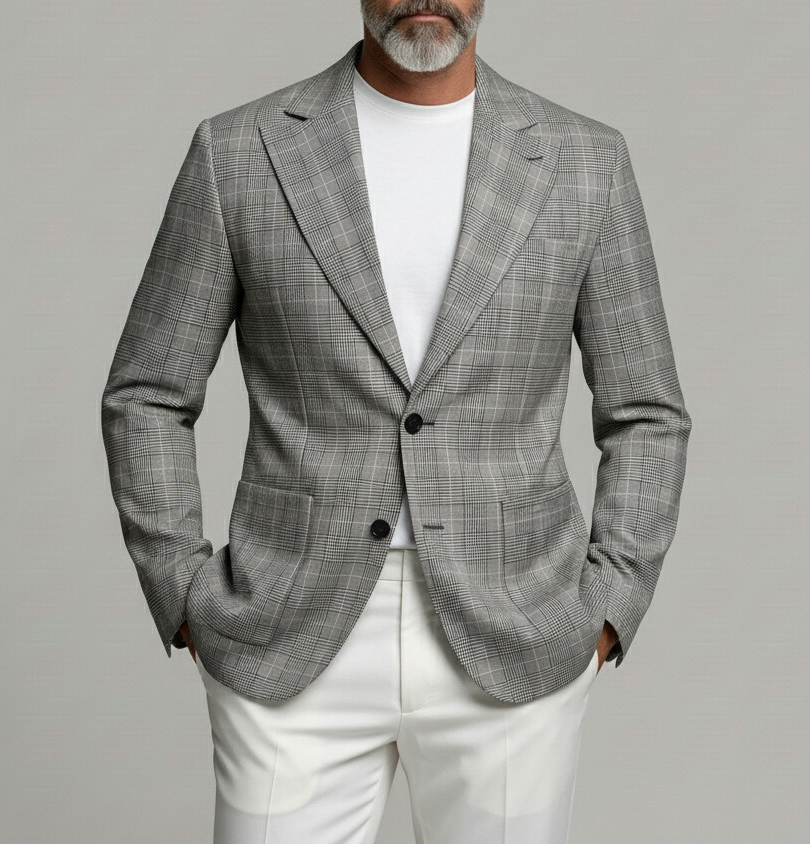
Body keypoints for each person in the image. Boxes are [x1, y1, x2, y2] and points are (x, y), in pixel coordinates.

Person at [100, 2, 692, 841]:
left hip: (517, 625)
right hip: (286, 623)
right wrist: (183, 589)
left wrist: (608, 603)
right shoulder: (239, 152)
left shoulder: (584, 160)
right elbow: (148, 393)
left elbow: (647, 409)